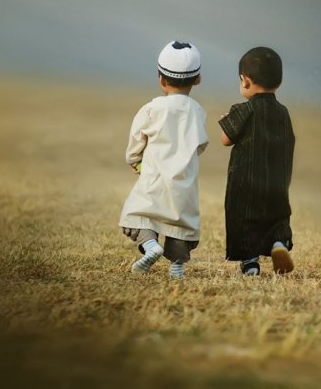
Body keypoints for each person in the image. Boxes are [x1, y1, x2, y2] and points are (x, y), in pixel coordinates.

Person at [119, 41, 208, 279]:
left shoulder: (152, 108)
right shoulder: (198, 111)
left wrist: (135, 160)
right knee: (180, 227)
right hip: (184, 186)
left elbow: (136, 140)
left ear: (161, 79)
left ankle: (151, 247)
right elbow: (200, 145)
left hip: (154, 180)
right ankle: (177, 267)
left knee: (137, 216)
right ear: (197, 79)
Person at [218, 46, 295, 275]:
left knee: (245, 220)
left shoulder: (244, 109)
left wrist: (227, 120)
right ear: (279, 82)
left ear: (245, 80)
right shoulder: (283, 112)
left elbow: (226, 139)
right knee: (277, 217)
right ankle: (279, 243)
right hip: (277, 182)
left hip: (246, 181)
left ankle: (250, 263)